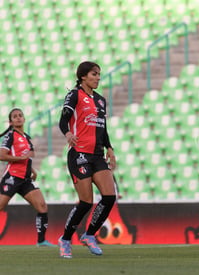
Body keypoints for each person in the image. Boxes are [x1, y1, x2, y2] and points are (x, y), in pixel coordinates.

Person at [58, 61, 117, 258]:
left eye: (99, 74)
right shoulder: (74, 95)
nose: (98, 77)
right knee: (86, 202)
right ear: (83, 76)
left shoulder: (100, 100)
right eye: (94, 74)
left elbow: (103, 127)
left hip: (98, 155)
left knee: (109, 197)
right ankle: (65, 239)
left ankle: (89, 235)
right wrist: (67, 134)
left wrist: (110, 148)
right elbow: (63, 119)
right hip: (79, 154)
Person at [0, 108, 55, 247]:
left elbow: (26, 158)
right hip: (12, 177)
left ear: (24, 119)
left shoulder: (27, 138)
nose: (18, 118)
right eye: (14, 116)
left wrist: (32, 170)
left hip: (25, 179)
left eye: (20, 115)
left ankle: (41, 241)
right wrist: (20, 158)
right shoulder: (10, 136)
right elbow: (2, 155)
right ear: (11, 122)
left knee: (42, 206)